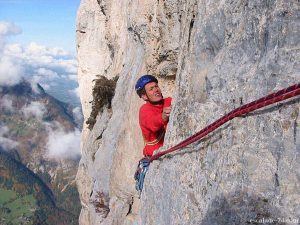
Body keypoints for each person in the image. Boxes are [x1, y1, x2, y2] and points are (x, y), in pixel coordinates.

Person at [135, 75, 172, 157]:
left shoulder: (168, 101)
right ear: (144, 96)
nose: (156, 90)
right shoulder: (144, 110)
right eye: (151, 89)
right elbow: (152, 123)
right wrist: (163, 117)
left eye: (156, 86)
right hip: (155, 155)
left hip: (169, 148)